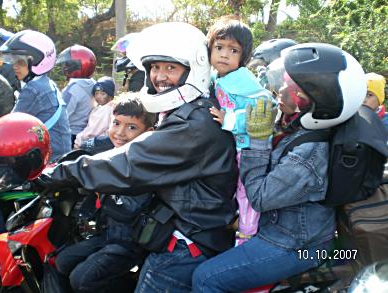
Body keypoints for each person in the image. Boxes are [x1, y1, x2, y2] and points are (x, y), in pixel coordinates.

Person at [37, 22, 238, 292]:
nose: (160, 76)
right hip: (183, 234)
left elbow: (130, 162)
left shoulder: (193, 124)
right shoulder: (186, 113)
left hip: (186, 246)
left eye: (171, 68)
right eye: (155, 67)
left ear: (195, 69)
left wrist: (53, 175)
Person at [192, 43, 367, 292]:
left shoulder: (310, 154)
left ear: (316, 102)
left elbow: (261, 197)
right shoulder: (298, 127)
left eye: (292, 88)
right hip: (284, 229)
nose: (281, 91)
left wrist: (258, 140)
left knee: (206, 278)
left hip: (297, 245)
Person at [55, 94, 156, 293]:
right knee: (62, 262)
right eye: (116, 123)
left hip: (130, 242)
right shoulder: (112, 150)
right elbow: (85, 149)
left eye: (132, 127)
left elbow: (128, 208)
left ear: (149, 132)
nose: (120, 133)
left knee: (80, 280)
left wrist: (101, 187)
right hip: (107, 233)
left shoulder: (145, 166)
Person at [207, 16, 275, 245]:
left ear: (243, 56)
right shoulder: (218, 75)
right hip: (238, 144)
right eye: (219, 47)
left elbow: (266, 105)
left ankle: (247, 235)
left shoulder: (242, 78)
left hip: (251, 146)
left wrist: (231, 119)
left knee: (247, 192)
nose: (224, 55)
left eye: (233, 50)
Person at [0, 30, 71, 162]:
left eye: (20, 62)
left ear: (38, 61)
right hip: (61, 155)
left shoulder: (33, 90)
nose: (14, 66)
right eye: (13, 61)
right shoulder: (46, 83)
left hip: (50, 161)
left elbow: (6, 129)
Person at [56, 44, 96, 147]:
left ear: (77, 66)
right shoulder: (92, 84)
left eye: (68, 65)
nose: (65, 68)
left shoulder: (73, 89)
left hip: (70, 134)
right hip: (83, 133)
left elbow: (62, 114)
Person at [74, 76, 115, 149]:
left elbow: (93, 131)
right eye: (96, 93)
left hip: (96, 144)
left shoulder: (106, 109)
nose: (98, 97)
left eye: (103, 94)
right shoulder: (101, 107)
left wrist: (78, 140)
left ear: (111, 96)